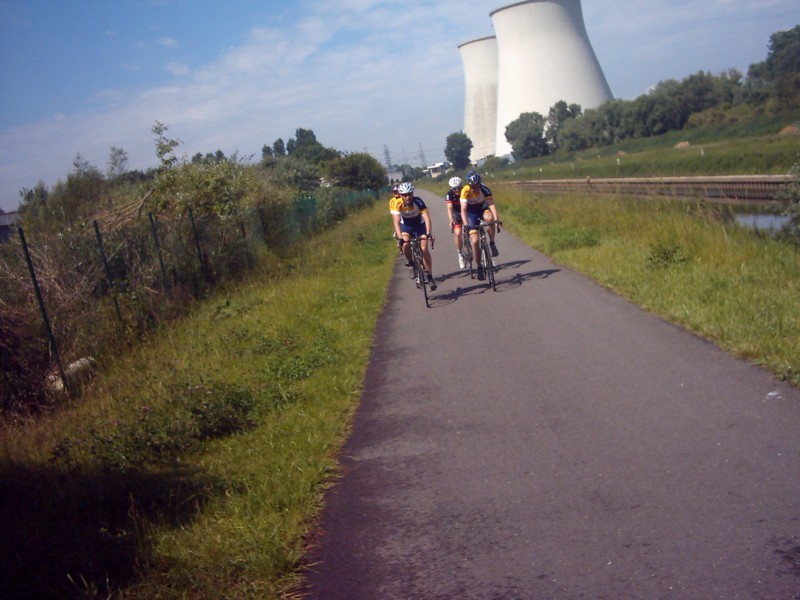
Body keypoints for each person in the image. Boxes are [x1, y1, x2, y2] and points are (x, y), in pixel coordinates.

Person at [390, 182, 437, 290]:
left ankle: (430, 277)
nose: (407, 197)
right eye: (404, 195)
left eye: (409, 194)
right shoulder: (397, 203)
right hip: (406, 225)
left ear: (412, 193)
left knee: (424, 248)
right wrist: (400, 238)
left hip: (419, 225)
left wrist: (428, 233)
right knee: (405, 244)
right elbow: (396, 222)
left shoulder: (418, 201)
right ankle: (411, 263)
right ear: (400, 195)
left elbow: (426, 218)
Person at [460, 170, 501, 280]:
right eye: (473, 186)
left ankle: (492, 242)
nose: (476, 187)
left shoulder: (484, 189)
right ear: (469, 185)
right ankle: (479, 267)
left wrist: (496, 219)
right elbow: (463, 210)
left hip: (482, 208)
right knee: (475, 241)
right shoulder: (465, 191)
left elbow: (491, 204)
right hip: (470, 213)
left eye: (478, 185)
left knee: (490, 218)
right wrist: (466, 224)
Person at [445, 176, 466, 269]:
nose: (457, 190)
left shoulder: (466, 191)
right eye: (454, 189)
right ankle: (460, 254)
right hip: (456, 214)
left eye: (459, 188)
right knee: (458, 234)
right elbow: (449, 208)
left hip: (467, 212)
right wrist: (451, 220)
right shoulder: (449, 194)